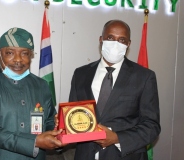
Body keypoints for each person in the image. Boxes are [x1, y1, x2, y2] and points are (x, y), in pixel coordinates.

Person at [69, 20, 161, 160]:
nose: (115, 44)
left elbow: (152, 126)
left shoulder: (144, 77)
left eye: (122, 40)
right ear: (101, 39)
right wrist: (64, 125)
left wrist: (117, 138)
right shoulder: (81, 74)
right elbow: (75, 115)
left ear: (128, 44)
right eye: (110, 38)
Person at [0, 27, 63, 160]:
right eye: (10, 53)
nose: (18, 60)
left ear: (31, 55)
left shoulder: (41, 85)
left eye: (25, 53)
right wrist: (35, 142)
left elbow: (48, 120)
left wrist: (56, 130)